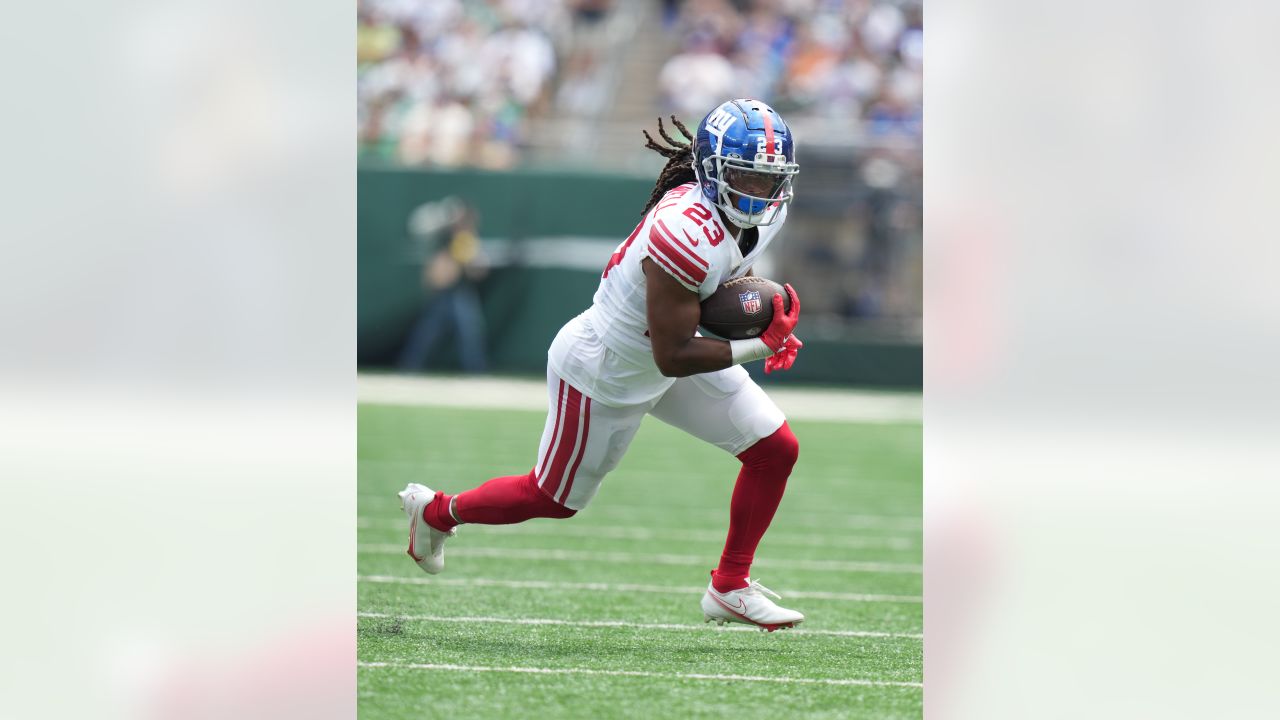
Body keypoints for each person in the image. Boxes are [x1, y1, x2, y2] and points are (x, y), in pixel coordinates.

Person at [398, 99, 808, 631]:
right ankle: (435, 512)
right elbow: (673, 352)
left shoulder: (757, 217)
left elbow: (713, 301)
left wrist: (758, 323)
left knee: (775, 450)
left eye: (768, 179)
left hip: (664, 352)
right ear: (712, 169)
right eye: (745, 176)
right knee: (551, 498)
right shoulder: (682, 230)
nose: (758, 193)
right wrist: (762, 344)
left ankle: (729, 587)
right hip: (607, 366)